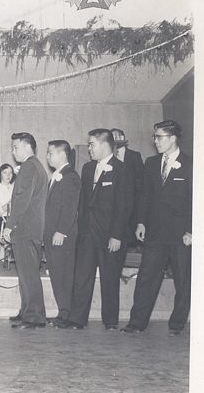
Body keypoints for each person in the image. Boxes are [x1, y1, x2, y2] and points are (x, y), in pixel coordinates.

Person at [122, 120, 192, 336]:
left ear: (173, 138)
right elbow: (145, 196)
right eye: (155, 137)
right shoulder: (151, 163)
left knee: (183, 280)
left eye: (159, 137)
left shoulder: (190, 163)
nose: (156, 141)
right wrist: (141, 222)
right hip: (155, 233)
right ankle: (137, 323)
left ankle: (177, 324)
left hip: (181, 235)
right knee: (146, 278)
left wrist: (191, 230)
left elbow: (194, 200)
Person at [68, 129, 132, 330]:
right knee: (82, 278)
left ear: (105, 144)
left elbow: (125, 205)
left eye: (92, 144)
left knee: (110, 278)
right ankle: (77, 319)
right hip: (88, 235)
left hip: (110, 236)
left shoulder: (122, 170)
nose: (89, 148)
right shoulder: (87, 169)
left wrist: (117, 235)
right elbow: (83, 203)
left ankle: (110, 321)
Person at [3, 132, 49, 329]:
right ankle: (27, 311)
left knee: (28, 274)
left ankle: (34, 317)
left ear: (28, 147)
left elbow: (22, 199)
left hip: (25, 229)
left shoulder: (29, 167)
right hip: (32, 229)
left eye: (16, 147)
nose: (13, 152)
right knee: (27, 273)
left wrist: (9, 225)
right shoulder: (36, 166)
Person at [43, 140, 81, 328]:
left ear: (62, 154)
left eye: (51, 153)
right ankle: (62, 312)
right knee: (57, 274)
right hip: (52, 235)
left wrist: (61, 231)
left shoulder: (70, 176)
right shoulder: (57, 175)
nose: (48, 156)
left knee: (64, 275)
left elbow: (70, 207)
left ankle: (66, 314)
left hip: (61, 236)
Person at [111, 128, 144, 251]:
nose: (114, 139)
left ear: (123, 137)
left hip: (132, 199)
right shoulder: (110, 157)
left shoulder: (135, 155)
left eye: (117, 136)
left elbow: (140, 178)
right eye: (111, 137)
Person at [0, 164, 15, 261]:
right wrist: (11, 202)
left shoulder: (15, 187)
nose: (8, 175)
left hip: (14, 218)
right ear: (0, 174)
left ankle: (11, 248)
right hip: (2, 219)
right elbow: (0, 209)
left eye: (10, 173)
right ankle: (8, 246)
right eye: (5, 172)